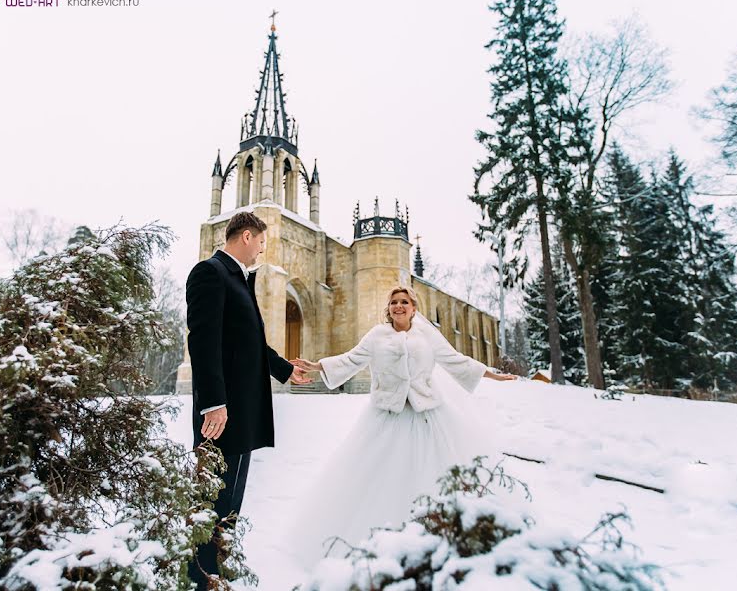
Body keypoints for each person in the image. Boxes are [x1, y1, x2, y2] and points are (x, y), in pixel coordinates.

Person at [289, 285, 516, 566]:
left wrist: (490, 374)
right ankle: (386, 547)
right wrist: (318, 366)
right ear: (388, 308)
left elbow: (454, 359)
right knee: (383, 478)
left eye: (405, 302)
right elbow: (352, 359)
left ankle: (438, 537)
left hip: (428, 416)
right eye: (394, 302)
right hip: (388, 417)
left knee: (434, 476)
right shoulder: (377, 336)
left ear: (414, 308)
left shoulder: (427, 335)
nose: (399, 306)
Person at [185, 211, 310, 589]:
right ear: (244, 236)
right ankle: (201, 572)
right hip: (222, 411)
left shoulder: (241, 279)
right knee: (214, 493)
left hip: (243, 409)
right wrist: (213, 403)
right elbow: (202, 341)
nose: (260, 250)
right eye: (260, 242)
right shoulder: (210, 273)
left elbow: (250, 341)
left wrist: (284, 370)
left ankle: (218, 562)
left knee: (232, 494)